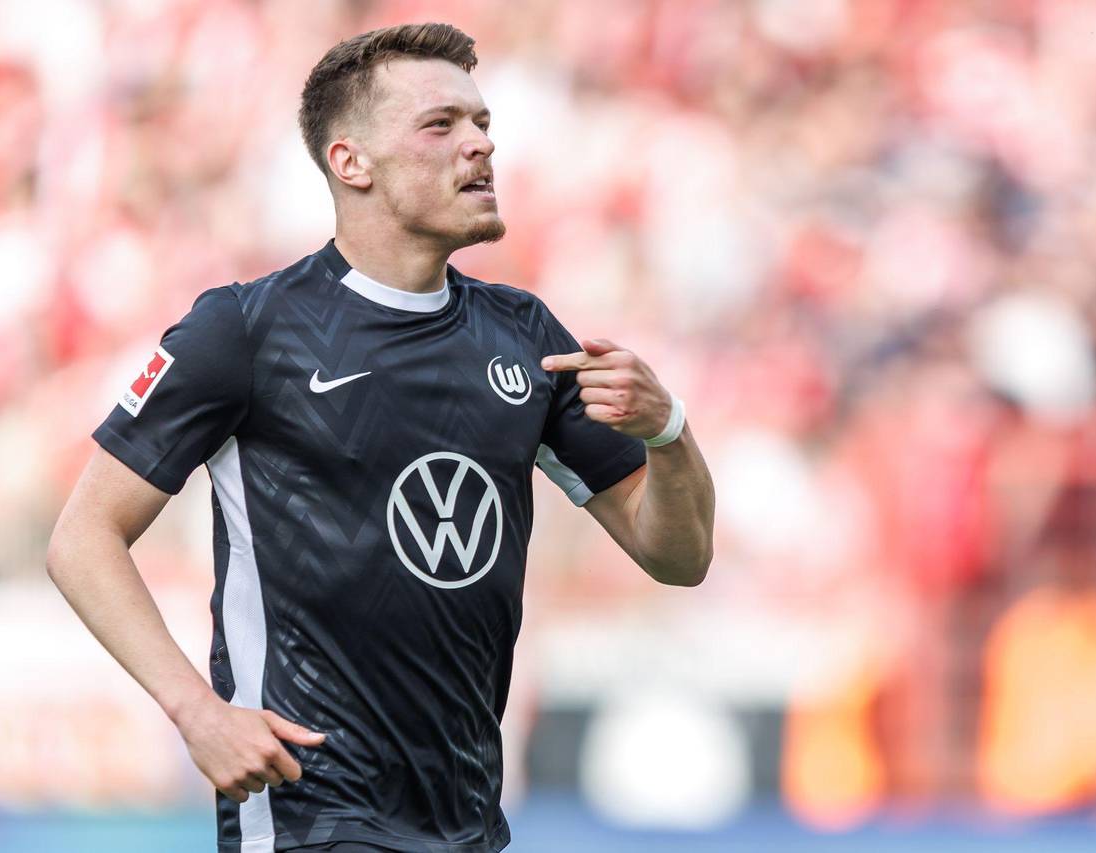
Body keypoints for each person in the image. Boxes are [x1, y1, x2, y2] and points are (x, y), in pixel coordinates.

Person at [46, 22, 715, 853]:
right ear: (350, 162)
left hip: (466, 821)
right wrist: (196, 711)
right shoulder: (246, 330)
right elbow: (83, 536)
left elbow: (676, 556)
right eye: (441, 125)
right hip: (309, 812)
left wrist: (668, 432)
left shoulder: (525, 337)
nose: (480, 144)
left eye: (482, 123)